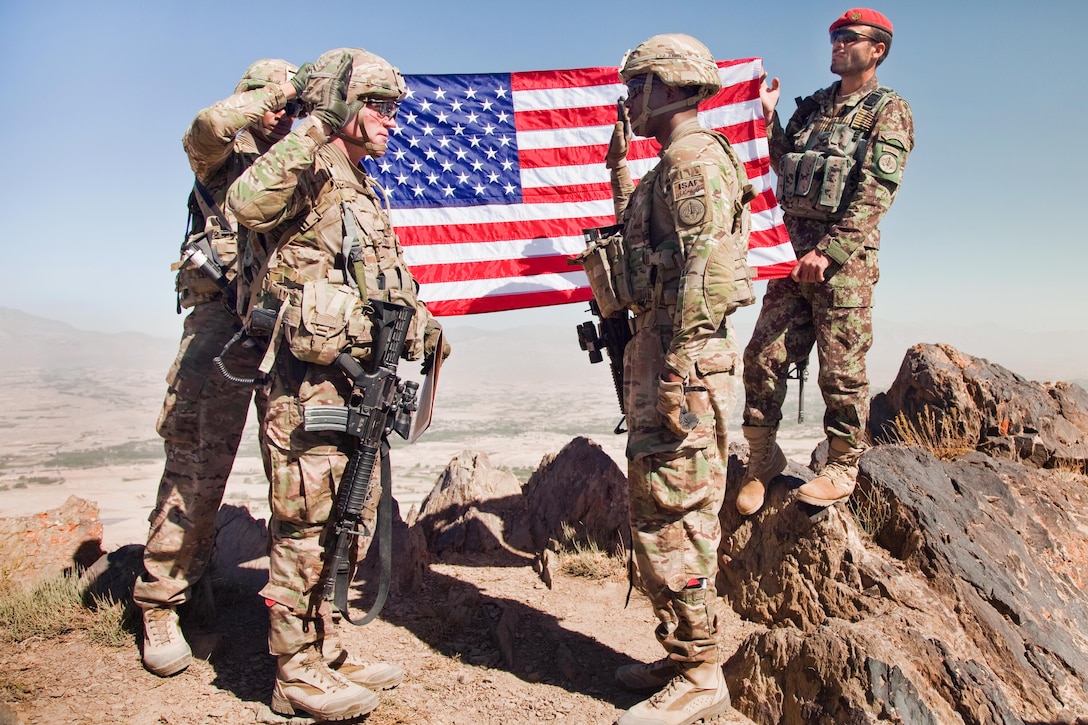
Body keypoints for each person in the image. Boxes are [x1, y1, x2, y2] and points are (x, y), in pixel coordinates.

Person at [226, 48, 449, 721]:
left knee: (350, 516)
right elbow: (244, 202)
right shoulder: (306, 161)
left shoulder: (364, 184)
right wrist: (313, 130)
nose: (391, 120)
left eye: (393, 107)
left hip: (357, 381)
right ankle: (292, 668)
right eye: (379, 105)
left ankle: (323, 645)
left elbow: (386, 282)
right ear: (341, 103)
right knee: (306, 517)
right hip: (304, 381)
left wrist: (424, 328)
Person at [593, 33, 754, 725]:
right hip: (663, 358)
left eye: (636, 87)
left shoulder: (692, 163)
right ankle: (683, 647)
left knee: (678, 518)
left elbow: (701, 275)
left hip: (680, 365)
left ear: (668, 86)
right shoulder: (669, 166)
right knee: (658, 509)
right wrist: (619, 170)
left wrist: (679, 372)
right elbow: (652, 250)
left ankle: (700, 673)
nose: (629, 99)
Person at [134, 58, 308, 678]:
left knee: (293, 473)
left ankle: (289, 622)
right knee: (196, 470)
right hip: (221, 328)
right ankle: (160, 601)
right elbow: (205, 126)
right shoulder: (221, 154)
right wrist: (267, 95)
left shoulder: (297, 158)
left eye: (291, 104)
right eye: (271, 102)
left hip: (284, 326)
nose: (282, 112)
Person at [737, 8, 914, 515]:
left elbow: (876, 193)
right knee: (763, 358)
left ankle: (841, 465)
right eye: (833, 36)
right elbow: (781, 163)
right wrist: (766, 114)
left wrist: (828, 252)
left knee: (841, 372)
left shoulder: (888, 109)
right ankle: (761, 461)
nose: (836, 44)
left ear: (876, 49)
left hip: (843, 267)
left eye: (848, 37)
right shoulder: (812, 107)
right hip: (791, 260)